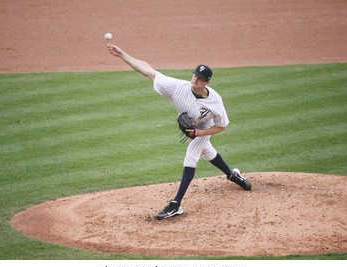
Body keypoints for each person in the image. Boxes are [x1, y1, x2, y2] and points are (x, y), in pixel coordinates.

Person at [107, 44, 251, 220]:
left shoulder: (215, 101)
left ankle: (175, 204)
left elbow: (222, 126)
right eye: (195, 75)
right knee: (208, 152)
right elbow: (149, 71)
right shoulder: (178, 87)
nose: (195, 79)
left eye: (199, 78)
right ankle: (232, 175)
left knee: (191, 156)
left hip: (205, 128)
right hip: (193, 128)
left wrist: (199, 133)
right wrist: (123, 55)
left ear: (206, 82)